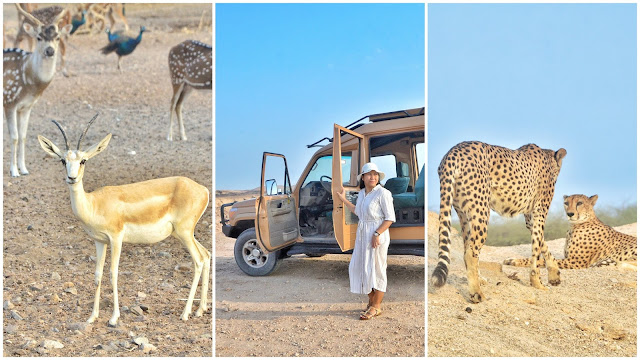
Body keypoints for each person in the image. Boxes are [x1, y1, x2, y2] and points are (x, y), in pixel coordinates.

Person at [335, 162, 396, 320]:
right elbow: (358, 211)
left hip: (377, 234)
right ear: (363, 177)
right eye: (369, 174)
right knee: (357, 268)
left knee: (377, 269)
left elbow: (390, 218)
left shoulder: (383, 193)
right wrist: (343, 199)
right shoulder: (362, 193)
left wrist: (377, 234)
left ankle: (376, 306)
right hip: (363, 233)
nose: (373, 177)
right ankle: (371, 299)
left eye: (375, 174)